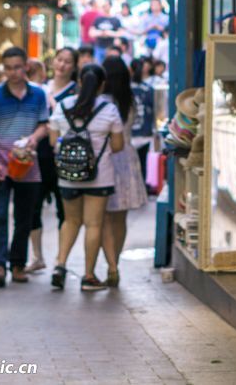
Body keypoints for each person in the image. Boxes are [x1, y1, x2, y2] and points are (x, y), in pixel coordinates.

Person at [48, 64, 124, 291]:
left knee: (70, 221)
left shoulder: (62, 107)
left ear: (80, 82)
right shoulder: (109, 110)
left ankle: (60, 265)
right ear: (102, 85)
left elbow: (53, 142)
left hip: (67, 175)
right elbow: (118, 145)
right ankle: (89, 276)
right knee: (93, 224)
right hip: (99, 176)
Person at [0, 47, 49, 286]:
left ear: (26, 68)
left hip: (28, 166)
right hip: (1, 165)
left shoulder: (38, 95)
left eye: (17, 67)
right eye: (8, 68)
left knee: (24, 217)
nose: (13, 73)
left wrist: (34, 138)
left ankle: (18, 264)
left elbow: (45, 125)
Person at [27, 47, 77, 273]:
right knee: (33, 206)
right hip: (40, 156)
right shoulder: (40, 89)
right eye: (59, 60)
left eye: (67, 62)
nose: (62, 65)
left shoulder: (76, 92)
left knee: (63, 209)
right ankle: (37, 256)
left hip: (63, 157)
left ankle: (61, 258)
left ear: (74, 67)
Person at [101, 56, 147, 287]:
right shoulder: (129, 101)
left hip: (105, 159)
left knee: (103, 217)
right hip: (127, 159)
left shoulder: (101, 102)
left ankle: (110, 265)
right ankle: (115, 263)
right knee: (120, 218)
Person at [130, 58, 156, 187]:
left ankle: (132, 188)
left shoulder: (125, 88)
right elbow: (154, 109)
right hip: (144, 131)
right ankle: (142, 188)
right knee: (142, 162)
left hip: (128, 133)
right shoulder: (147, 89)